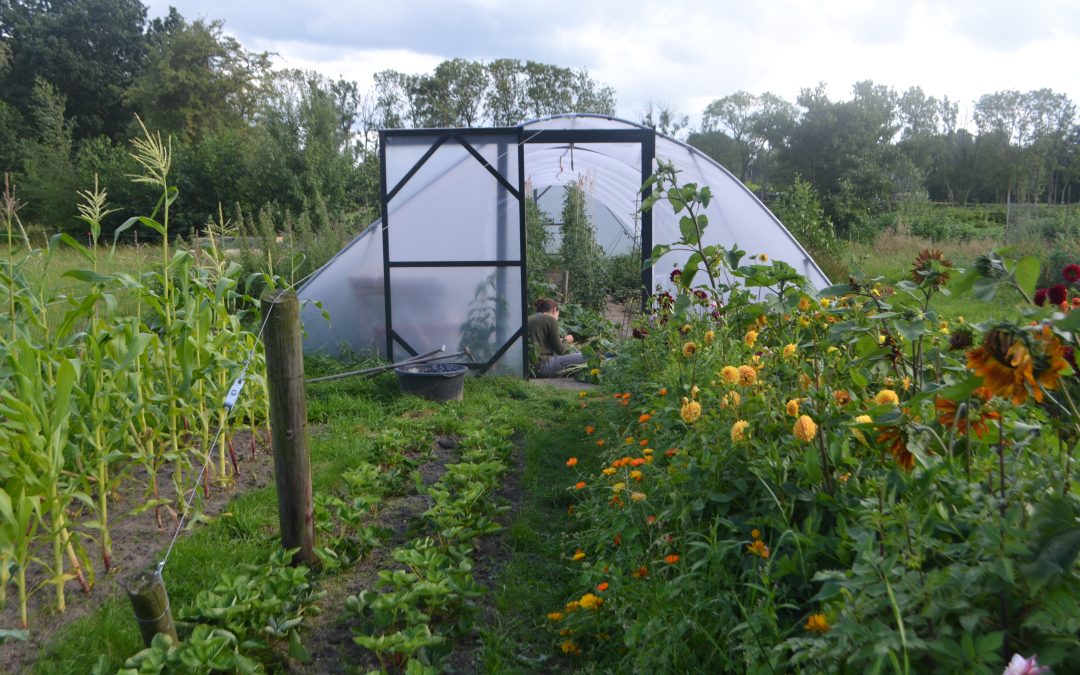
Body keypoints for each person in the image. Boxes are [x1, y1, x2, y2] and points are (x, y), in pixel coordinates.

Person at [528, 298, 586, 377]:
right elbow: (561, 351)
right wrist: (566, 340)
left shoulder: (529, 318)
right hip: (542, 366)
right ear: (555, 310)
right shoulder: (550, 319)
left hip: (529, 367)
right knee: (585, 356)